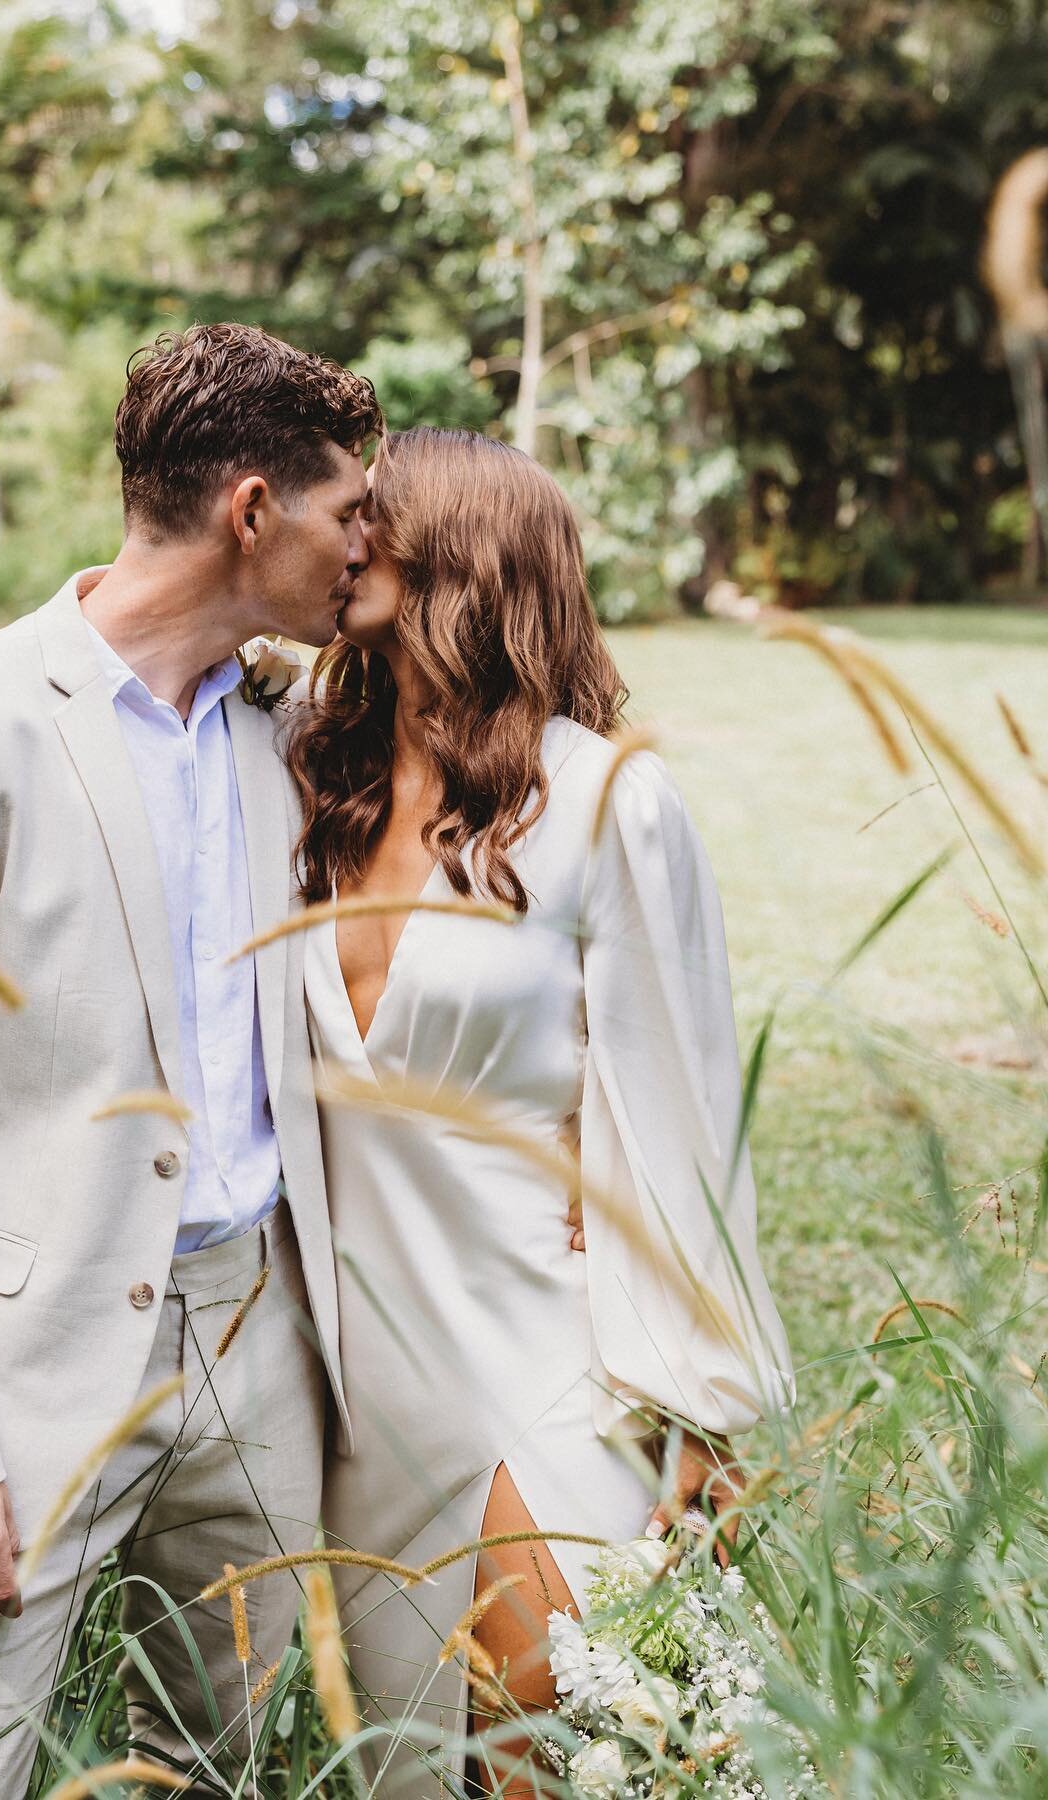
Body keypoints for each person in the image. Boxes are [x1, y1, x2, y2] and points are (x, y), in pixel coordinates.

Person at [0, 322, 381, 1797]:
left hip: (255, 1346)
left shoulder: (284, 725)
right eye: (347, 510)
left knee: (210, 1772)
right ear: (253, 509)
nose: (366, 549)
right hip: (23, 1371)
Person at [282, 426, 797, 1799]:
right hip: (355, 1388)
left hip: (540, 1354)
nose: (343, 536)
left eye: (375, 517)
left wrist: (699, 1409)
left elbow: (685, 1114)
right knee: (400, 1769)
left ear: (465, 555)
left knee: (576, 1757)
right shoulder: (297, 779)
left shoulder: (606, 802)